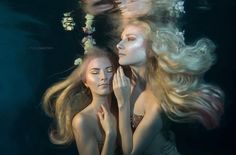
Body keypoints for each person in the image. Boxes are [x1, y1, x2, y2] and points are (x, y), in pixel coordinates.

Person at [113, 19, 224, 155]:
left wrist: (123, 103)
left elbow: (130, 152)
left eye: (130, 39)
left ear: (152, 50)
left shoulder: (156, 99)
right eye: (121, 39)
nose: (119, 45)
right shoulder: (124, 84)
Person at [43, 47, 119, 155]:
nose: (103, 77)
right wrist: (111, 134)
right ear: (85, 81)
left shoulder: (122, 107)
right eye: (95, 72)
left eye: (109, 70)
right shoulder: (82, 121)